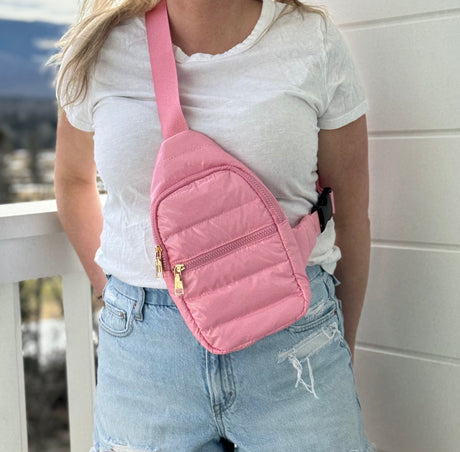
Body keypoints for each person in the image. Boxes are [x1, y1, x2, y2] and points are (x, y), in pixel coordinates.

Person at [52, 0, 375, 450]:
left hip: (295, 343)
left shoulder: (310, 40)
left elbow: (350, 215)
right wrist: (121, 296)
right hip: (145, 357)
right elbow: (71, 180)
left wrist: (338, 346)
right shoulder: (100, 47)